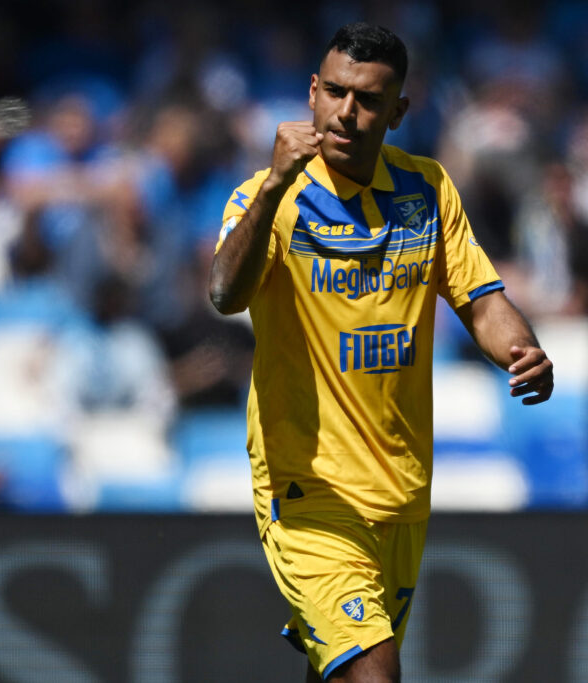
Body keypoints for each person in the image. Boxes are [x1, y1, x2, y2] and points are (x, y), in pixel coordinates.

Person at [208, 23, 553, 682]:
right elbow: (225, 292)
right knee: (375, 672)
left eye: (368, 99)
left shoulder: (427, 190)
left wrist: (523, 350)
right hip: (308, 492)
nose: (346, 112)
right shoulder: (266, 198)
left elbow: (481, 302)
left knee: (343, 670)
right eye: (335, 92)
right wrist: (276, 185)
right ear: (312, 93)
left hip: (400, 492)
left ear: (398, 111)